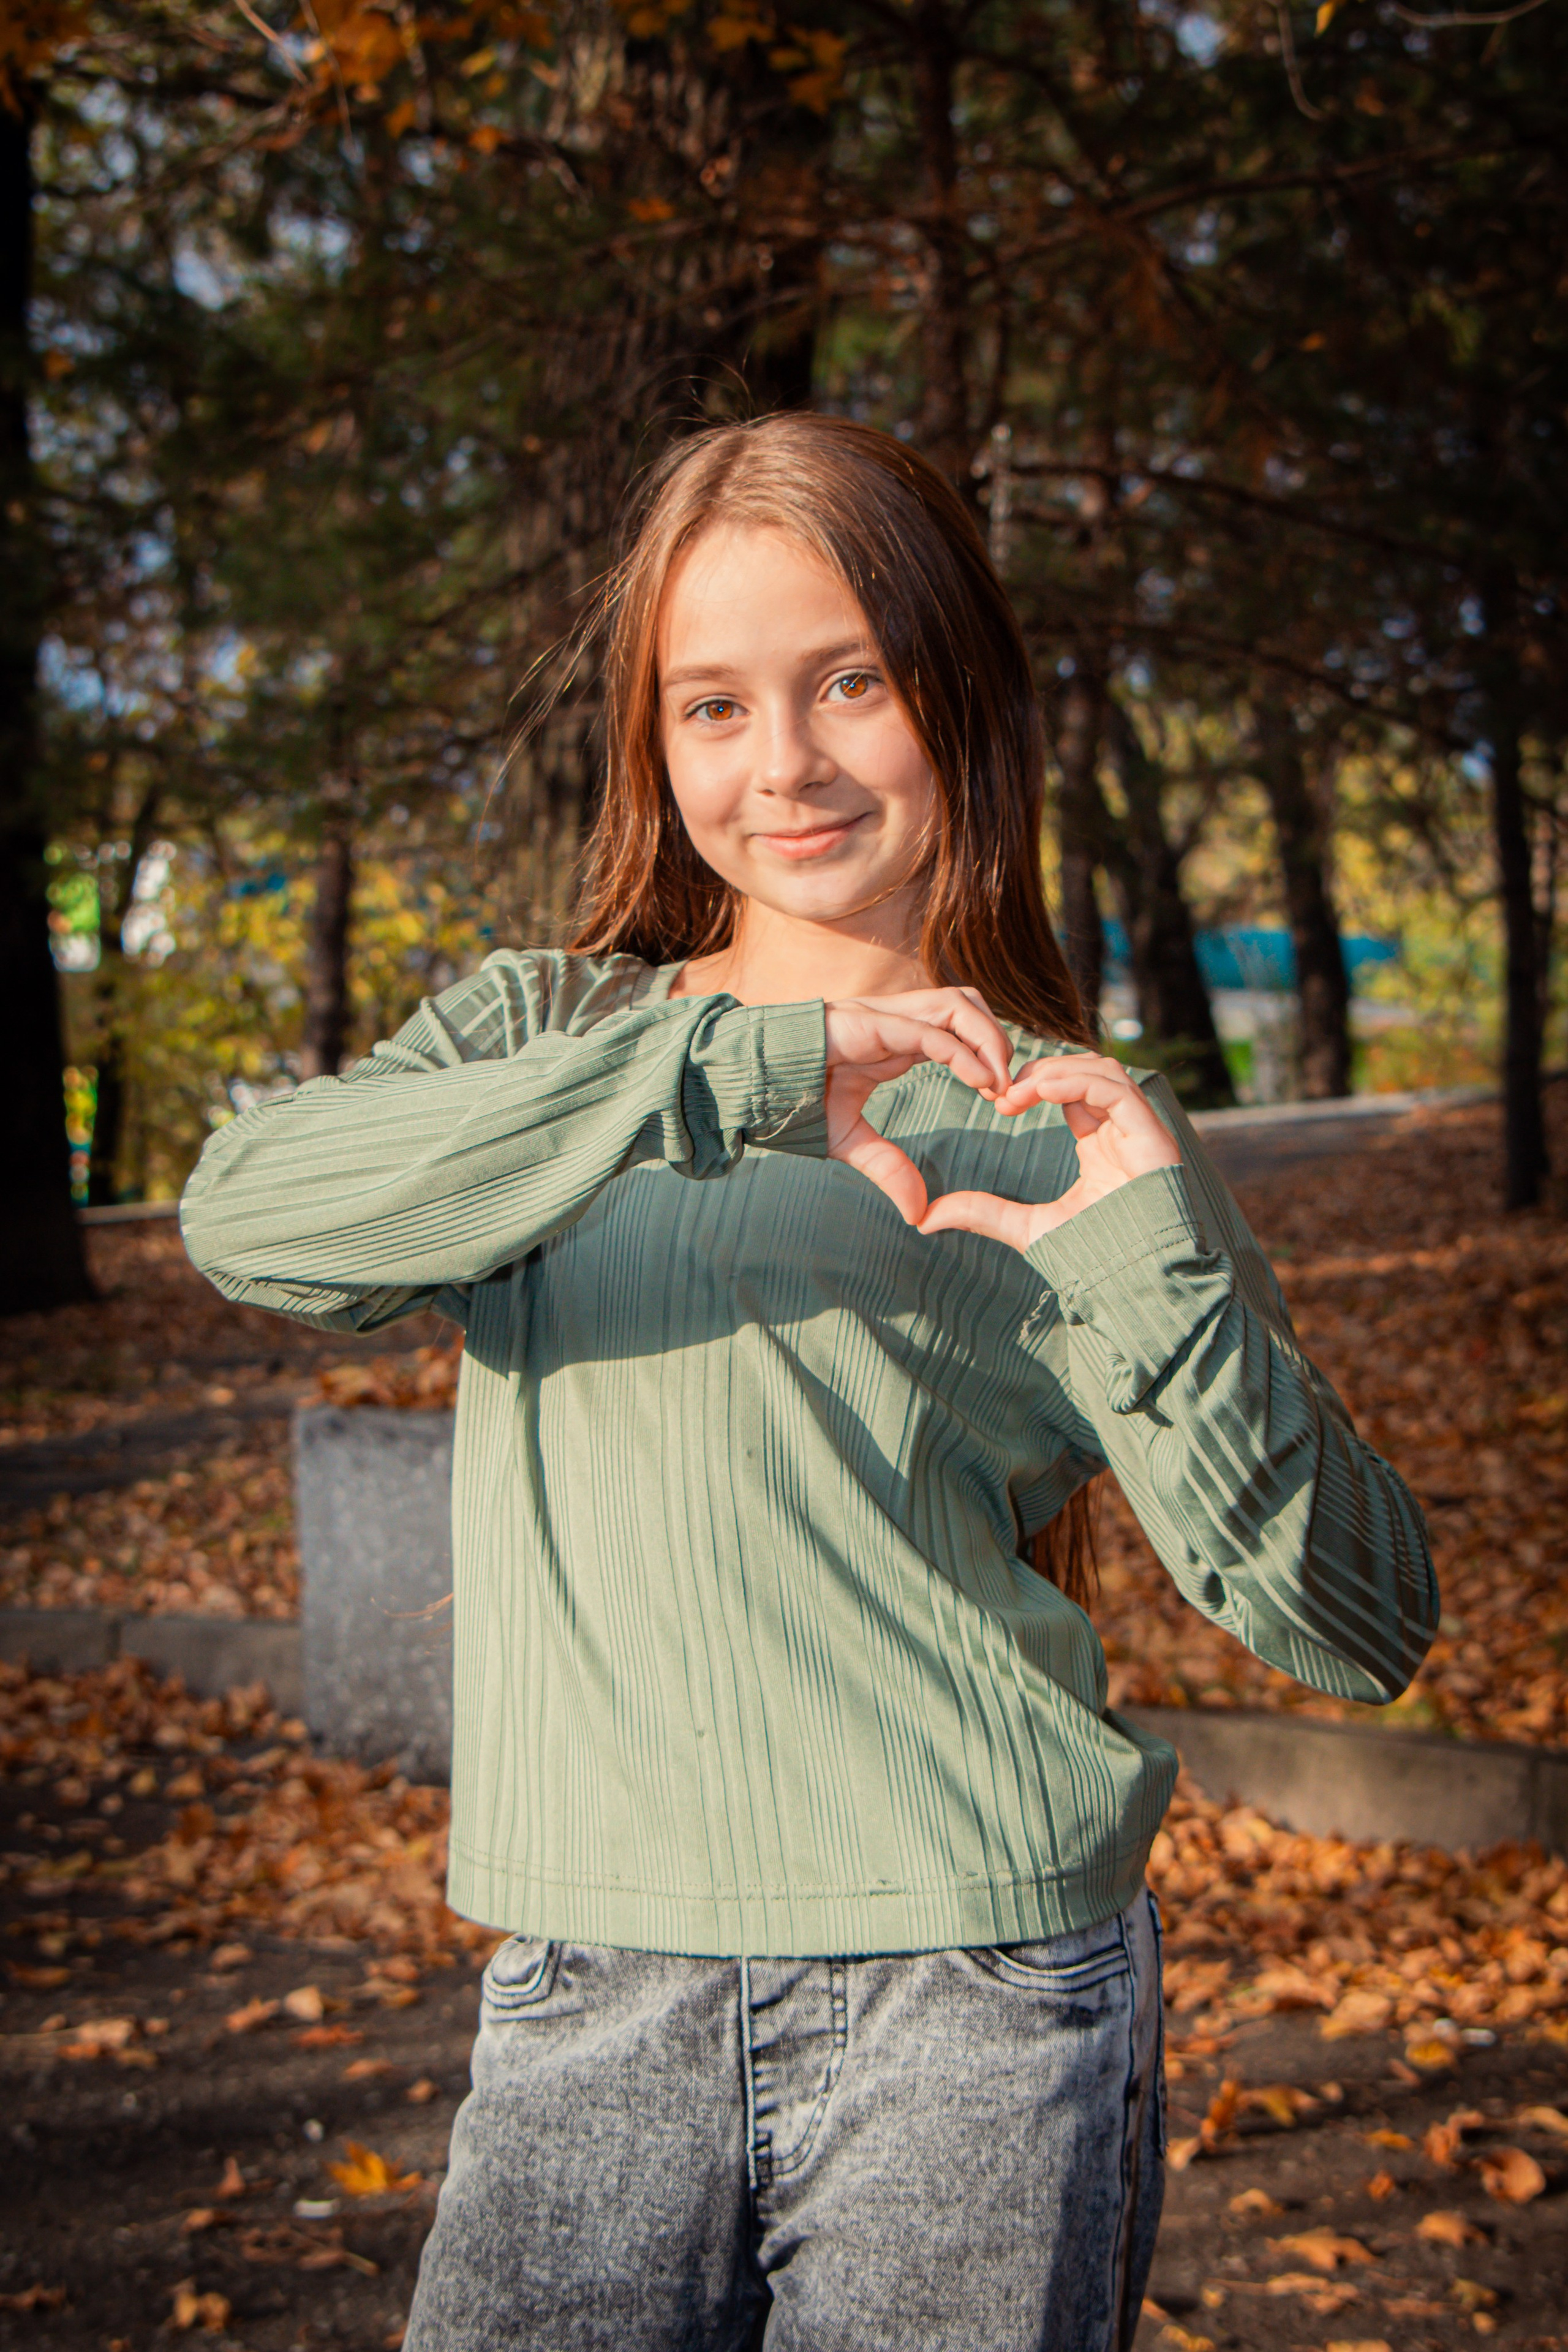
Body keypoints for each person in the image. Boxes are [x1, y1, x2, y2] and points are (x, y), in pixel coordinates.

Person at [180, 413, 1436, 2352]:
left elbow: (1358, 1626)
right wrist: (730, 1073)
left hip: (978, 1999)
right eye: (711, 706)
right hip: (592, 1984)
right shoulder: (558, 1039)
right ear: (653, 742)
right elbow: (252, 1215)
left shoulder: (1074, 1121)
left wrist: (1147, 1264)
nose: (783, 763)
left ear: (960, 688)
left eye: (848, 679)